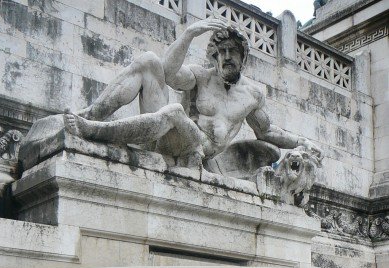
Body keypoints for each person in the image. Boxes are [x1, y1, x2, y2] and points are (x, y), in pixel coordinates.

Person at [62, 18, 322, 176]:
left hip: (196, 147)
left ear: (243, 57)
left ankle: (94, 131)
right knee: (149, 61)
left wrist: (302, 141)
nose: (226, 57)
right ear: (214, 56)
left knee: (175, 112)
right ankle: (92, 116)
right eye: (221, 52)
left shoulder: (252, 95)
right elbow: (167, 72)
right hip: (164, 135)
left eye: (232, 51)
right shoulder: (201, 77)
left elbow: (266, 131)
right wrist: (188, 35)